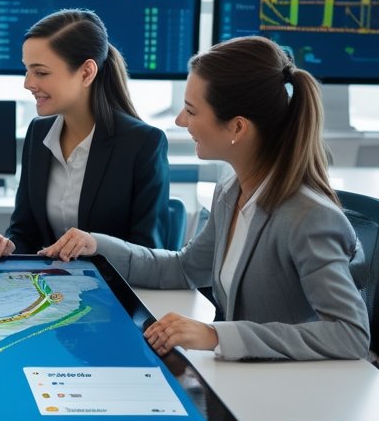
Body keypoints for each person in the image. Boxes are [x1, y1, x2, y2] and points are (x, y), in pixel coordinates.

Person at [41, 36, 370, 361]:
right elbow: (184, 268)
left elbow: (349, 333)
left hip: (294, 394)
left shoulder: (308, 216)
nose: (180, 121)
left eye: (191, 111)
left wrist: (216, 335)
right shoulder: (231, 190)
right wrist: (96, 245)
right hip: (245, 378)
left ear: (237, 129)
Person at [0, 9, 168, 257]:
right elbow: (24, 232)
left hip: (111, 289)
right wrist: (7, 246)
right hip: (52, 289)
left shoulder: (143, 144)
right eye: (27, 70)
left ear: (86, 72)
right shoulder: (38, 133)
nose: (28, 83)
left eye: (41, 72)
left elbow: (149, 254)